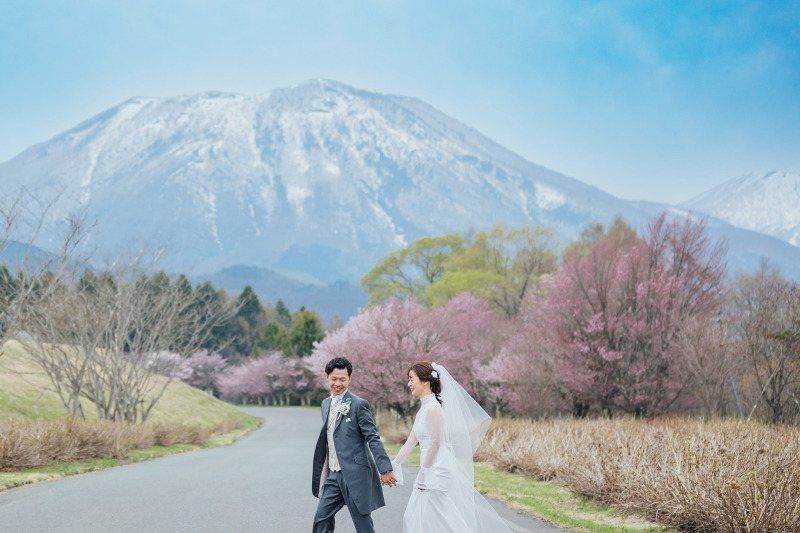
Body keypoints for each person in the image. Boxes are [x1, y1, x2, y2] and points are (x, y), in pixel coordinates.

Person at [391, 362, 513, 532]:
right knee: (422, 517)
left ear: (425, 381)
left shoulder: (433, 408)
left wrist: (424, 472)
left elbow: (435, 442)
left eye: (412, 379)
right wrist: (395, 463)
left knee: (440, 520)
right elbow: (412, 439)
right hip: (430, 467)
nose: (409, 384)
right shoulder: (424, 408)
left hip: (438, 469)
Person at [312, 357, 398, 533]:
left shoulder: (359, 405)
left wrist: (384, 469)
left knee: (363, 526)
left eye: (343, 379)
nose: (338, 383)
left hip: (355, 476)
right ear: (327, 377)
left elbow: (373, 437)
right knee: (321, 520)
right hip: (333, 476)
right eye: (334, 378)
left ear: (350, 379)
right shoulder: (325, 404)